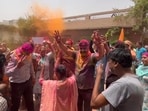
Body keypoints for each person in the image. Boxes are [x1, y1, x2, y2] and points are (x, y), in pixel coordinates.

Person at [54, 30, 104, 111]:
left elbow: (101, 55)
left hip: (88, 89)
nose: (83, 50)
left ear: (88, 48)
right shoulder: (76, 54)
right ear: (79, 48)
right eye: (81, 49)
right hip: (76, 88)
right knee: (77, 108)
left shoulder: (92, 57)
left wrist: (99, 45)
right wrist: (59, 42)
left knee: (88, 109)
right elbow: (66, 50)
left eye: (85, 49)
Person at [5, 42, 35, 111]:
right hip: (16, 84)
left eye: (29, 53)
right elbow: (7, 73)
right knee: (15, 105)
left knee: (30, 103)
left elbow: (31, 66)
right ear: (23, 50)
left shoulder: (29, 55)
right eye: (27, 53)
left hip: (27, 82)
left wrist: (33, 76)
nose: (28, 54)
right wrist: (17, 67)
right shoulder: (13, 55)